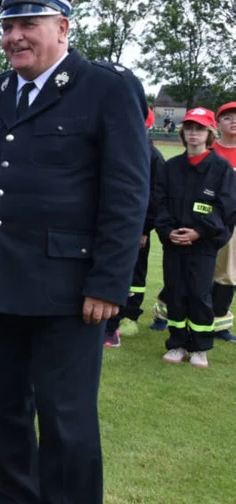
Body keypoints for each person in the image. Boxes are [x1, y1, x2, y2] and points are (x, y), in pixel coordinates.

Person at [0, 0, 149, 504]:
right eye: (8, 27)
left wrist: (108, 284)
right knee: (2, 408)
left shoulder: (105, 88)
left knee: (66, 416)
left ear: (62, 28)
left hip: (70, 290)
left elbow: (127, 193)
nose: (14, 37)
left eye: (28, 25)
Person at [155, 108, 236, 368]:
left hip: (203, 245)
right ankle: (177, 343)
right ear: (182, 132)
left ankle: (200, 346)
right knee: (175, 292)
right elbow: (159, 203)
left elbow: (225, 208)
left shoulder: (222, 169)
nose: (193, 133)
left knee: (200, 294)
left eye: (200, 128)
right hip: (174, 243)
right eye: (189, 127)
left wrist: (200, 231)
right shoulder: (171, 167)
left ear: (210, 133)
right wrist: (168, 231)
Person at [105, 108, 166, 347]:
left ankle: (129, 315)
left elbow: (155, 197)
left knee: (135, 274)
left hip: (136, 227)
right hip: (112, 223)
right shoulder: (117, 148)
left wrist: (144, 228)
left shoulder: (153, 156)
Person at [210, 101, 236, 343]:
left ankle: (218, 323)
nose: (234, 121)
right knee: (192, 268)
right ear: (218, 124)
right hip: (207, 219)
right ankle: (168, 312)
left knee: (227, 274)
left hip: (233, 223)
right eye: (228, 117)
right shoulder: (209, 150)